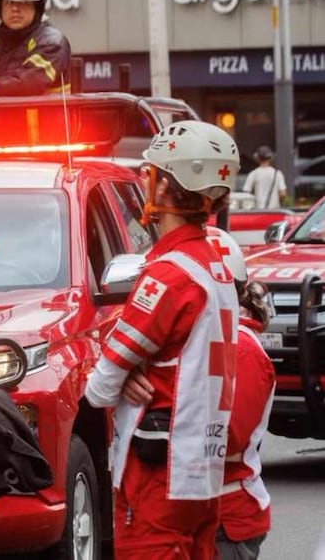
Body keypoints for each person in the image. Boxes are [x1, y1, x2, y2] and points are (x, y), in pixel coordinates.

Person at [84, 120, 241, 559]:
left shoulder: (169, 274)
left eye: (152, 173)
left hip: (158, 474)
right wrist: (132, 367)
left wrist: (126, 371)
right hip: (200, 470)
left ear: (168, 186)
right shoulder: (216, 268)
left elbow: (98, 389)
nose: (145, 181)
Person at [120, 227, 275, 560]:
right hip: (175, 511)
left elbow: (223, 436)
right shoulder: (176, 347)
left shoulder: (241, 349)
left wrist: (154, 408)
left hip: (223, 518)